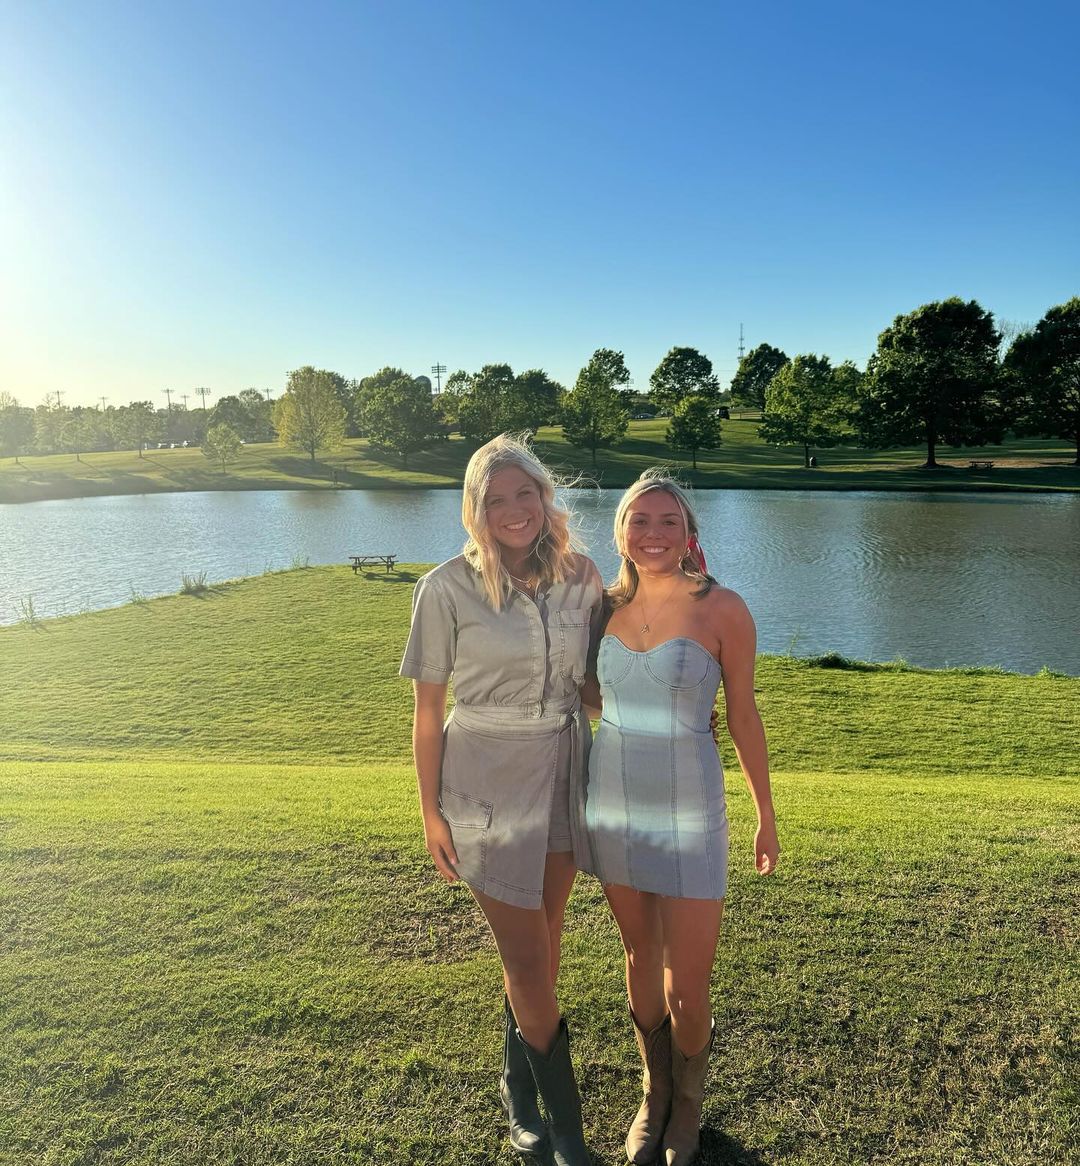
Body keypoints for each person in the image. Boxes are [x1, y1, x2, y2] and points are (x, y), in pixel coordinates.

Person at [400, 433, 602, 1166]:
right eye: (496, 499)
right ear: (474, 509)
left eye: (527, 494)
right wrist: (430, 811)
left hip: (565, 765)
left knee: (542, 950)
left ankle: (519, 1092)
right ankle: (568, 1132)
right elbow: (428, 713)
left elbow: (594, 686)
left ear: (545, 498)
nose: (515, 510)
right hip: (485, 777)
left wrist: (673, 712)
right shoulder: (445, 588)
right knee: (526, 958)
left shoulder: (581, 575)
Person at [578, 470, 779, 1166]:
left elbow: (744, 715)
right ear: (621, 533)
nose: (653, 533)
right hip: (613, 799)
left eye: (668, 520)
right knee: (640, 955)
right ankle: (654, 1090)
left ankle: (688, 1102)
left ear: (689, 532)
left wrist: (765, 814)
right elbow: (588, 691)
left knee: (688, 985)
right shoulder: (599, 609)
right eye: (639, 520)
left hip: (692, 807)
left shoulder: (724, 609)